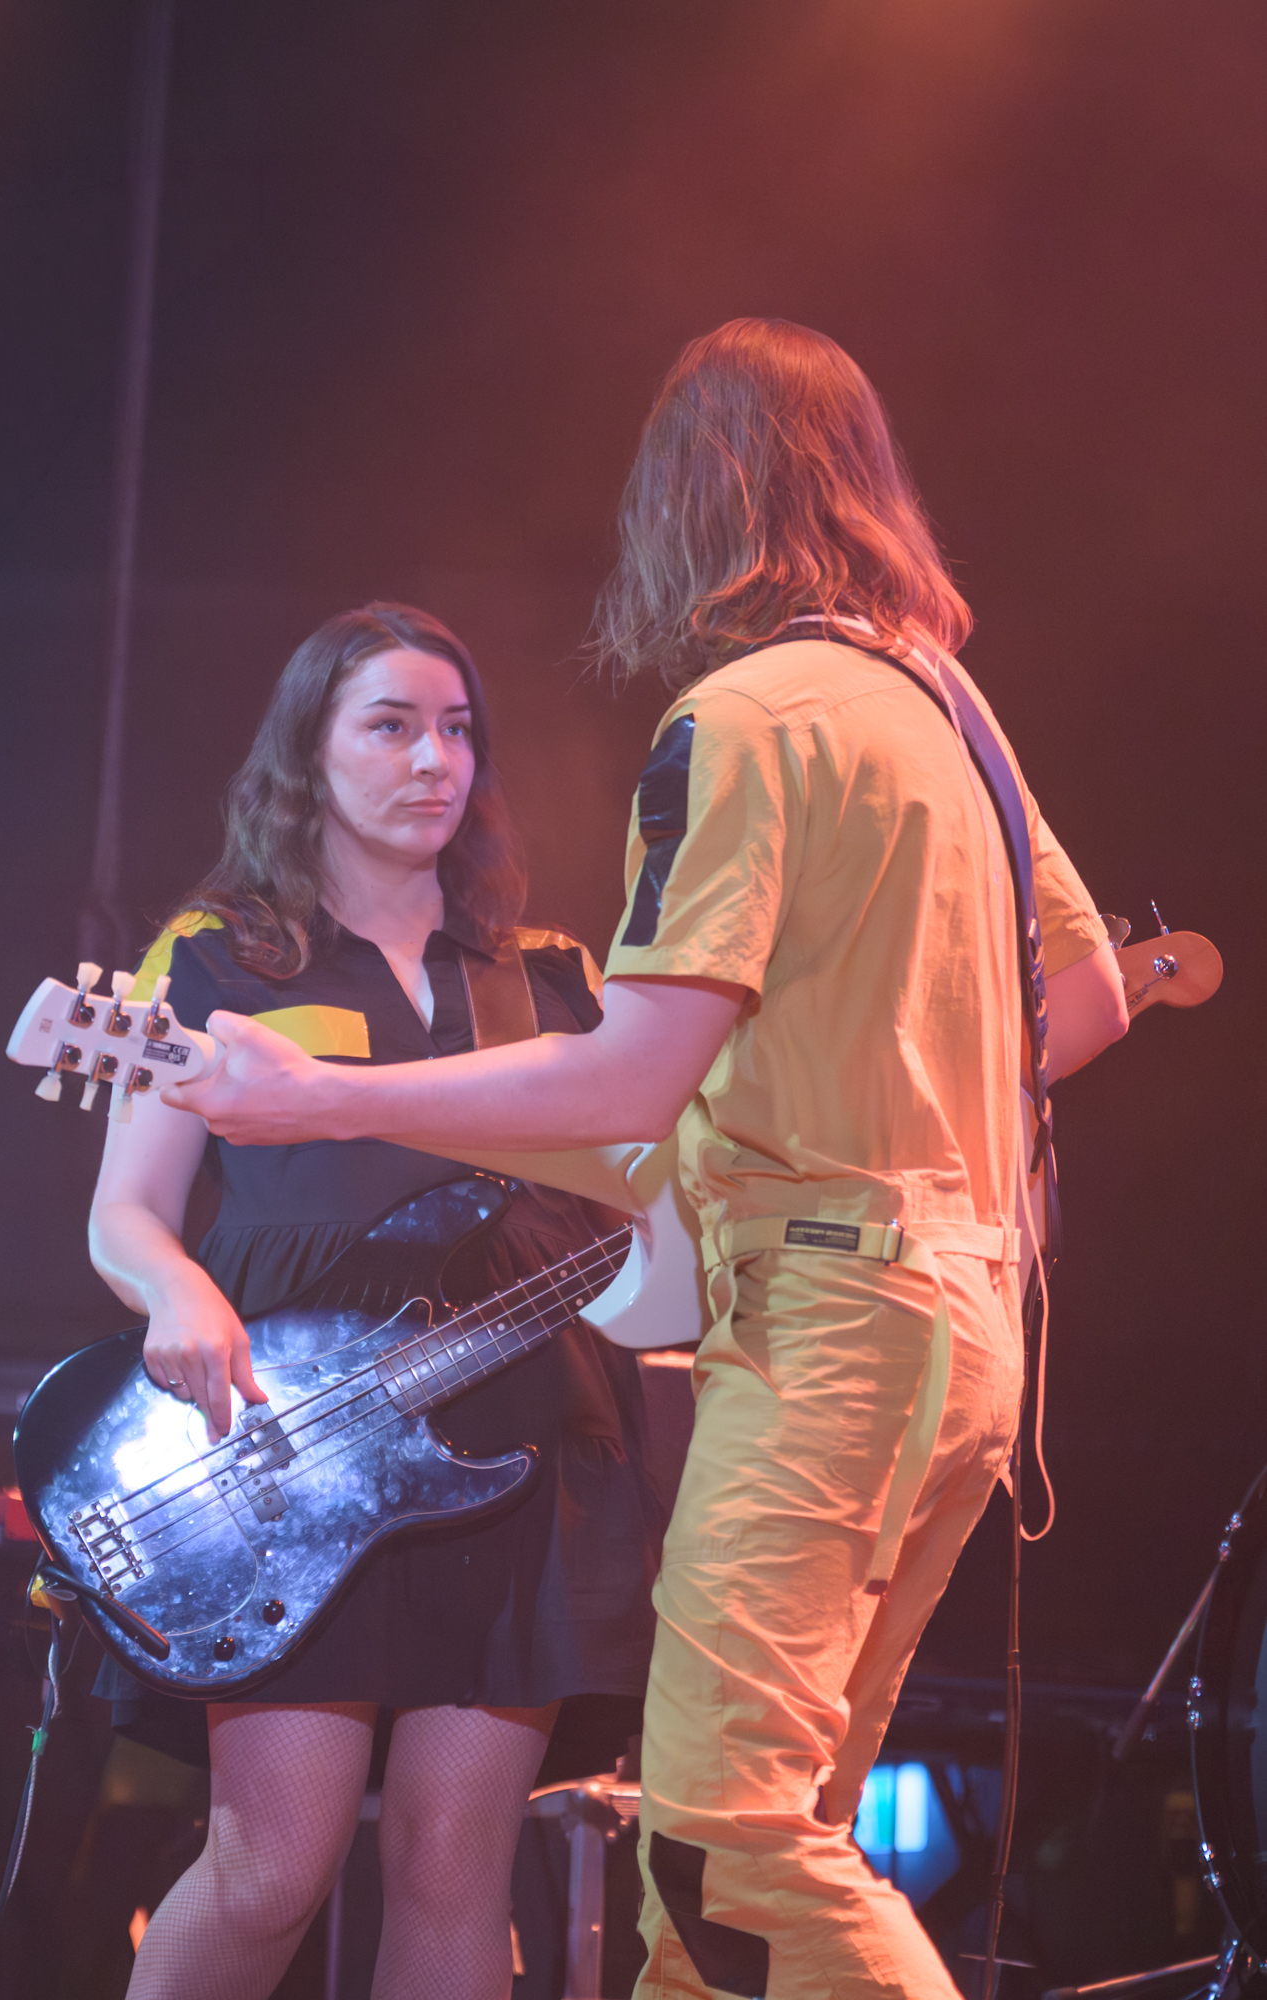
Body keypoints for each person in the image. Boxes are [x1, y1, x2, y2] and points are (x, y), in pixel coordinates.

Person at [170, 323, 1130, 1998]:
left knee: (719, 1839)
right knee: (736, 1887)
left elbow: (628, 1069)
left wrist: (325, 1099)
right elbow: (1092, 999)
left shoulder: (743, 718)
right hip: (967, 1336)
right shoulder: (948, 709)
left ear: (694, 500)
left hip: (829, 1325)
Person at [88, 601, 666, 2000]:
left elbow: (643, 1193)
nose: (433, 760)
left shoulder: (552, 974)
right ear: (309, 752)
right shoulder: (214, 958)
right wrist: (176, 1292)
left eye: (456, 731)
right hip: (299, 1442)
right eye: (392, 726)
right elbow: (126, 1214)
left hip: (522, 1431)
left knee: (454, 1872)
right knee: (270, 1868)